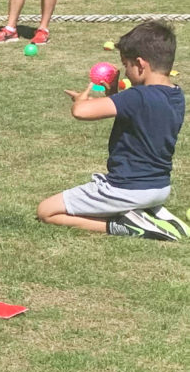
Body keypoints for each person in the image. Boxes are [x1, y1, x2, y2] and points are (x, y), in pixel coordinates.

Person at [37, 20, 188, 240]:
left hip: (127, 188)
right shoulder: (176, 95)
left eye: (125, 65)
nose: (126, 73)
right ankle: (147, 213)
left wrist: (80, 100)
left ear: (140, 64)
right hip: (159, 188)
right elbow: (137, 117)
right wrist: (115, 93)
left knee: (46, 211)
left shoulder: (136, 97)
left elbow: (81, 112)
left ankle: (126, 226)